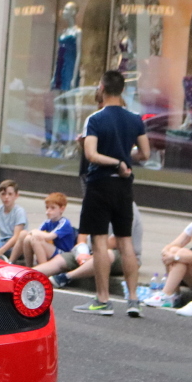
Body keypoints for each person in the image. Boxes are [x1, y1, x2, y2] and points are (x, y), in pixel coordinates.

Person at [73, 70, 150, 317]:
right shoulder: (135, 119)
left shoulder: (95, 119)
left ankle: (103, 300)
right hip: (124, 186)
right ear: (123, 90)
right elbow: (145, 154)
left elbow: (91, 155)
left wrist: (115, 162)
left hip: (100, 184)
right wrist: (125, 161)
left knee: (99, 240)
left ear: (103, 87)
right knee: (125, 240)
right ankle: (133, 299)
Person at [38, 203, 143, 288]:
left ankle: (66, 277)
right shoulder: (98, 205)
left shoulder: (127, 208)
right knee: (60, 260)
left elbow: (115, 241)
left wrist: (93, 254)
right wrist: (82, 250)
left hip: (122, 256)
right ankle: (29, 274)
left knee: (105, 255)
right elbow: (83, 232)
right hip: (93, 251)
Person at [13, 192, 76, 266]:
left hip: (64, 255)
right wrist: (29, 234)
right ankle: (29, 266)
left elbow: (49, 236)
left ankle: (43, 269)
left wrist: (33, 232)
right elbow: (37, 233)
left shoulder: (64, 223)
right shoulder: (48, 222)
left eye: (52, 208)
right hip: (53, 250)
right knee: (28, 238)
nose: (48, 211)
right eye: (47, 207)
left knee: (35, 240)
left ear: (62, 209)